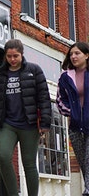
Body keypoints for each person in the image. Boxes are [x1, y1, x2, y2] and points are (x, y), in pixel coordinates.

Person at [0, 39, 51, 196]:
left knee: (29, 164)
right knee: (3, 157)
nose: (12, 59)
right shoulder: (0, 74)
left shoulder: (34, 70)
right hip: (7, 124)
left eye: (15, 56)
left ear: (22, 55)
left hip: (29, 124)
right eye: (9, 56)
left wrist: (45, 123)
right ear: (5, 55)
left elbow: (44, 98)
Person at [57, 42, 89, 196]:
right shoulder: (65, 77)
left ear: (87, 55)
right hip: (75, 126)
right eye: (71, 54)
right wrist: (72, 112)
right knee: (84, 163)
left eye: (77, 53)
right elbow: (60, 100)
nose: (73, 56)